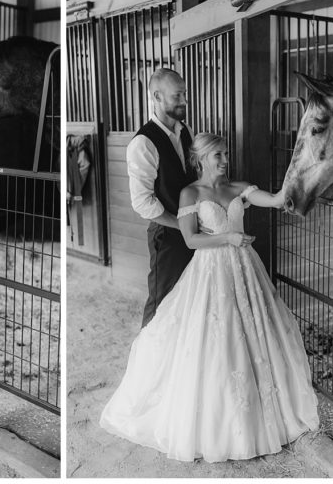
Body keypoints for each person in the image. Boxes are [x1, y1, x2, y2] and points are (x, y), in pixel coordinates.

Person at [101, 133, 320, 462]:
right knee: (216, 337)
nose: (224, 160)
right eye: (217, 155)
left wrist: (298, 174)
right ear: (200, 159)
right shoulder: (191, 193)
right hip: (210, 271)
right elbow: (190, 240)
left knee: (255, 330)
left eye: (226, 153)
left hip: (245, 269)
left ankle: (264, 406)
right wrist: (228, 237)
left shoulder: (238, 188)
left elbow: (274, 200)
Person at [126, 68, 195, 327]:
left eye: (185, 94)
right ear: (157, 96)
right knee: (160, 302)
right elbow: (142, 202)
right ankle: (144, 363)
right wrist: (182, 225)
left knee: (186, 297)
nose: (185, 101)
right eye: (178, 95)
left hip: (191, 229)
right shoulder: (142, 144)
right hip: (166, 235)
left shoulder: (184, 130)